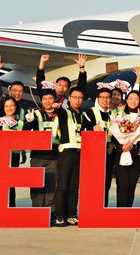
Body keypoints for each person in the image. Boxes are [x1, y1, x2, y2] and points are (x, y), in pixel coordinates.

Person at [0, 56, 26, 207]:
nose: (17, 94)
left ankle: (10, 207)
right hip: (1, 153)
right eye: (15, 90)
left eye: (20, 91)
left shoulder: (22, 111)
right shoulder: (1, 107)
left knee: (12, 182)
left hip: (15, 153)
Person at [51, 85, 89, 226]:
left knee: (74, 186)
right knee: (63, 185)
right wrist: (56, 106)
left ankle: (71, 214)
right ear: (69, 99)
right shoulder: (65, 113)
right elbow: (59, 111)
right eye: (74, 97)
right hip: (66, 152)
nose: (77, 100)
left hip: (79, 152)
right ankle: (60, 215)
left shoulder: (83, 115)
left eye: (80, 98)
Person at [23, 88, 61, 216]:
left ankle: (51, 212)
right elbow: (25, 131)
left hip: (54, 156)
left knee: (52, 186)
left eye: (50, 98)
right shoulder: (35, 114)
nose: (47, 101)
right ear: (41, 101)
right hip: (37, 155)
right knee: (36, 185)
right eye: (44, 99)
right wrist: (28, 122)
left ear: (55, 99)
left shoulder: (60, 114)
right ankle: (37, 212)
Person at [114, 88, 140, 208]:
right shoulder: (119, 114)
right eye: (130, 98)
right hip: (122, 151)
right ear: (126, 100)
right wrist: (120, 146)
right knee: (123, 184)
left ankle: (128, 210)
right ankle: (121, 210)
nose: (133, 101)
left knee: (132, 184)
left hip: (136, 152)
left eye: (136, 99)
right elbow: (112, 134)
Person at [89, 84, 118, 205]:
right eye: (102, 97)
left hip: (109, 153)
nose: (105, 100)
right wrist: (93, 130)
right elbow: (84, 130)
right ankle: (92, 208)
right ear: (98, 98)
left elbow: (116, 133)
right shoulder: (90, 112)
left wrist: (113, 145)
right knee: (94, 183)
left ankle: (103, 208)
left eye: (107, 97)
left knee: (106, 183)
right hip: (95, 153)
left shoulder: (114, 115)